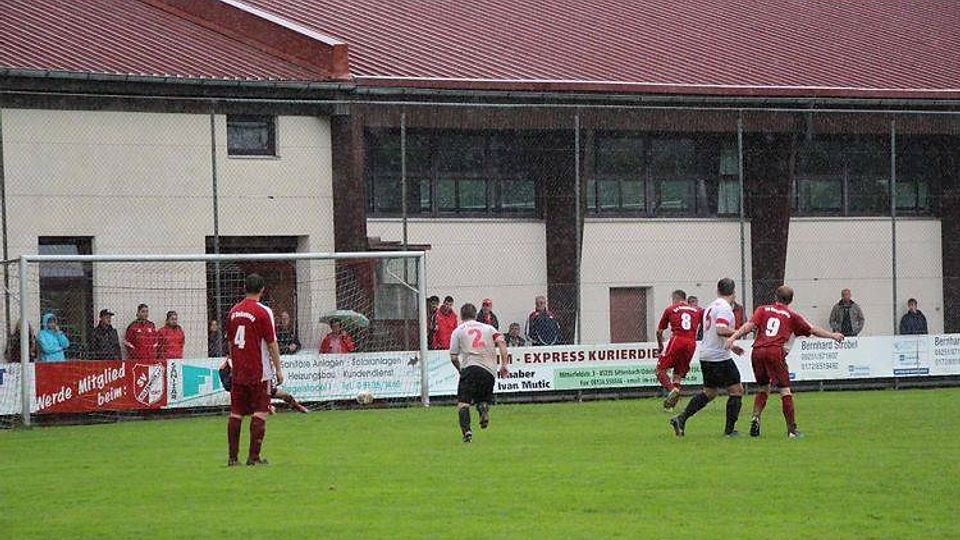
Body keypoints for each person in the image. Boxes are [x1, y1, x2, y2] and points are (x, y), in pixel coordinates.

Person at [725, 285, 844, 438]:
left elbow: (749, 326)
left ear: (775, 297)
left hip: (757, 351)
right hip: (774, 351)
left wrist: (733, 337)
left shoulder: (762, 309)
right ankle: (792, 430)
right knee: (785, 390)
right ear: (791, 300)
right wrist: (832, 335)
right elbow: (813, 330)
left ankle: (755, 417)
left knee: (763, 387)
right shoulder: (792, 315)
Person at [669, 278, 745, 437]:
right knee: (737, 390)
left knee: (710, 392)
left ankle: (681, 419)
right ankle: (729, 431)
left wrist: (732, 345)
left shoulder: (711, 306)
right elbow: (720, 329)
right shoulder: (725, 308)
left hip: (707, 354)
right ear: (734, 292)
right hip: (719, 357)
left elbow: (712, 334)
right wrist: (740, 332)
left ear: (717, 291)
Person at [225, 273, 283, 467]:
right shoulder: (263, 312)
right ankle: (254, 457)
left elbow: (230, 342)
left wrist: (234, 363)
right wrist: (278, 370)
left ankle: (233, 458)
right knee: (260, 412)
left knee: (236, 413)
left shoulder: (233, 311)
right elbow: (272, 343)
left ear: (244, 288)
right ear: (262, 290)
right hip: (259, 371)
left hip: (238, 371)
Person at [449, 303, 509, 443]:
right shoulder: (489, 328)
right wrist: (504, 364)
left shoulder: (458, 331)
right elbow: (502, 342)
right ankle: (483, 409)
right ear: (476, 315)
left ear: (461, 316)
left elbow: (453, 357)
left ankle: (467, 432)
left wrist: (460, 370)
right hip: (489, 371)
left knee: (463, 403)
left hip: (470, 368)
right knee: (482, 399)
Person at [655, 290, 702, 410]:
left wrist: (660, 346)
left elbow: (659, 331)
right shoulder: (697, 311)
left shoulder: (671, 309)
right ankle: (670, 406)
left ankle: (672, 390)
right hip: (691, 343)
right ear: (685, 299)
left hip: (678, 339)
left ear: (675, 299)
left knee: (660, 370)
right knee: (678, 374)